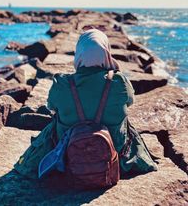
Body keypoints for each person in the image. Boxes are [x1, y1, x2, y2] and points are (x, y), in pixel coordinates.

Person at [14, 28, 157, 180]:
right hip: (113, 151)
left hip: (69, 153)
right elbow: (130, 102)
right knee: (125, 122)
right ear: (107, 52)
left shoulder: (62, 83)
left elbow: (51, 107)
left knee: (55, 122)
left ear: (79, 53)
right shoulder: (119, 81)